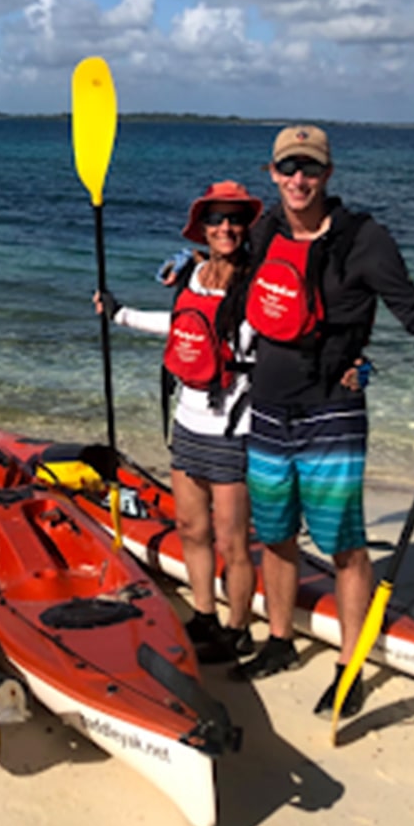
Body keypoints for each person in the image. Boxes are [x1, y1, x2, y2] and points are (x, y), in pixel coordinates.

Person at [230, 125, 414, 718]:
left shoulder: (366, 240)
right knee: (275, 537)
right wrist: (193, 274)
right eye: (288, 169)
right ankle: (279, 641)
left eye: (310, 169)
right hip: (269, 408)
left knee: (345, 547)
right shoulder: (264, 230)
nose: (298, 180)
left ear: (328, 175)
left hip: (332, 410)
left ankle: (348, 668)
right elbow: (239, 292)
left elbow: (413, 311)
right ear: (271, 173)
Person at [95, 180, 264, 664]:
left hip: (236, 428)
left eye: (234, 218)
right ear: (203, 229)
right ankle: (205, 616)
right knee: (191, 527)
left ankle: (237, 629)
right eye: (216, 219)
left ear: (246, 226)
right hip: (188, 421)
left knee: (233, 541)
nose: (226, 227)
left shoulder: (257, 284)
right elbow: (183, 325)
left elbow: (285, 332)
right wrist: (120, 314)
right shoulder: (192, 274)